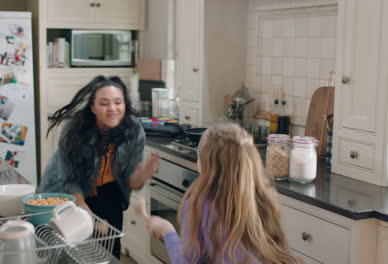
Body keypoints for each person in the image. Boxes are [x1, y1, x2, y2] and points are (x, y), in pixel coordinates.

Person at [145, 122, 303, 264]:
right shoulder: (264, 194)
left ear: (206, 166)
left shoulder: (200, 202)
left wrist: (168, 232)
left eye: (199, 156)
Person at [40, 75, 160, 259]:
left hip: (109, 192)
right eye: (104, 103)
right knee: (70, 251)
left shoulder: (134, 131)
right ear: (93, 108)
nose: (112, 108)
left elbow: (131, 181)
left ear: (125, 105)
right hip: (66, 191)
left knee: (109, 251)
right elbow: (69, 181)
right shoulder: (73, 132)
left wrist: (142, 174)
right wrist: (88, 216)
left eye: (118, 102)